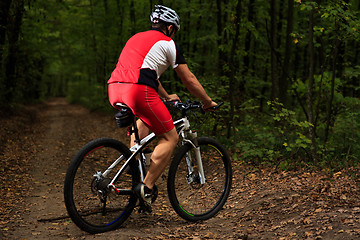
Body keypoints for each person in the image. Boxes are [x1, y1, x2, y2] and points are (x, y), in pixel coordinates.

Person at [108, 5, 218, 212]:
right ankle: (146, 187)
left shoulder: (135, 38)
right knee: (170, 138)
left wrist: (167, 97)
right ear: (169, 28)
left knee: (144, 121)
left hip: (115, 88)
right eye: (174, 30)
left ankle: (136, 168)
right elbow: (189, 80)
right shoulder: (169, 43)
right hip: (138, 90)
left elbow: (146, 72)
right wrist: (207, 101)